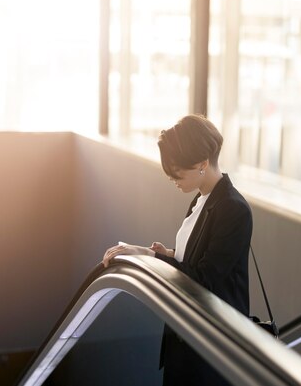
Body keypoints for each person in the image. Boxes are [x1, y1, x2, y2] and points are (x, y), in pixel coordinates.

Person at [102, 114, 253, 386]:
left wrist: (151, 257)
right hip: (187, 339)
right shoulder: (202, 198)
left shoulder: (233, 209)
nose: (172, 178)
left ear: (202, 164)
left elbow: (205, 280)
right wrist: (170, 254)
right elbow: (201, 256)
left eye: (177, 171)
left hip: (211, 350)